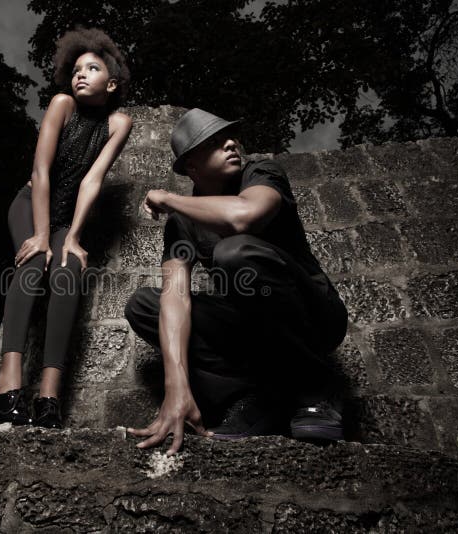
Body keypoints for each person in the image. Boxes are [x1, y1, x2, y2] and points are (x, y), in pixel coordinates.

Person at [124, 108, 348, 454]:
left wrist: (168, 198)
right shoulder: (181, 224)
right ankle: (257, 394)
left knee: (234, 253)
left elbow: (245, 216)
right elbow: (175, 297)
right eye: (215, 143)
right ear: (192, 167)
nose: (231, 143)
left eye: (230, 137)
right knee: (144, 306)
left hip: (315, 318)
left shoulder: (260, 174)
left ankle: (316, 385)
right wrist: (177, 386)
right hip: (254, 333)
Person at [0, 27, 132, 429]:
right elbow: (41, 169)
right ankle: (8, 382)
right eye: (75, 69)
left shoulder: (119, 123)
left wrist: (72, 237)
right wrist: (40, 232)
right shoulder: (61, 104)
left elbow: (93, 180)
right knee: (34, 263)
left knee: (68, 272)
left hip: (66, 219)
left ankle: (48, 395)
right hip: (30, 203)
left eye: (92, 67)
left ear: (113, 81)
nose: (80, 75)